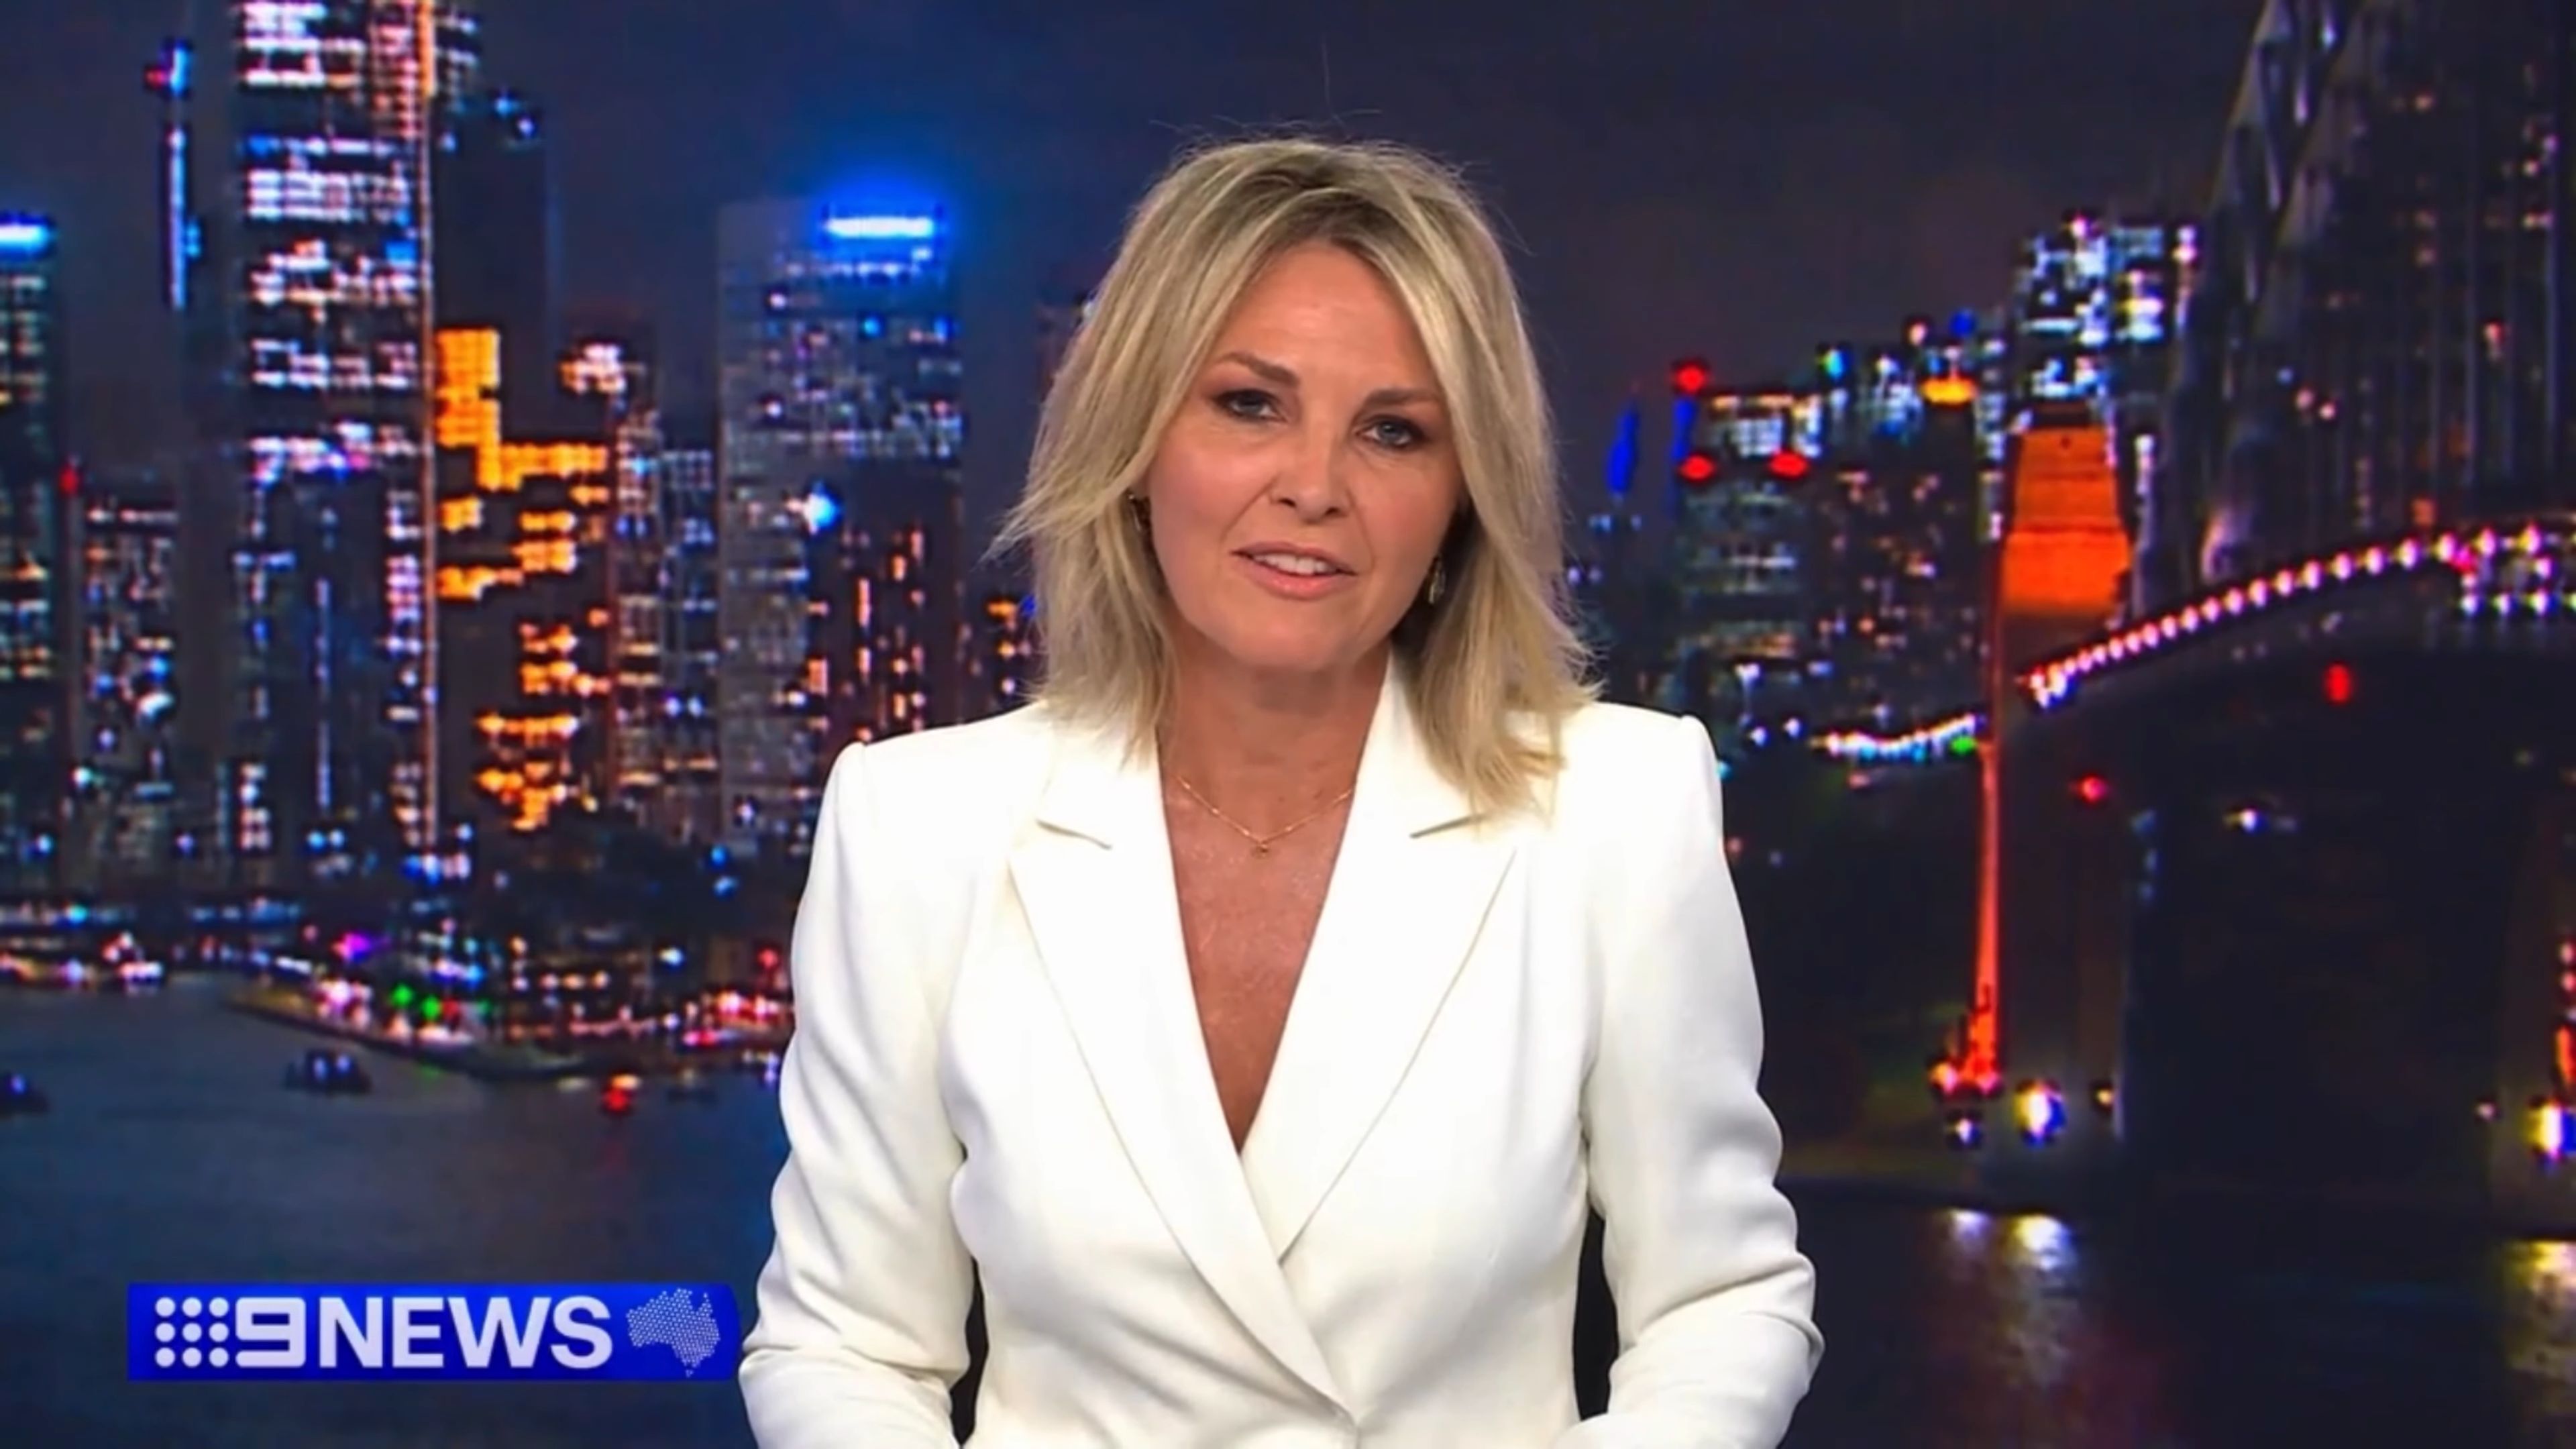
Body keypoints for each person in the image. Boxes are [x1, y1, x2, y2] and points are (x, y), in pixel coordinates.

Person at [739, 136, 1821, 1448]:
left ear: (1461, 498)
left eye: (1394, 431)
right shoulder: (919, 828)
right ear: (1137, 442)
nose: (1314, 487)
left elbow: (1722, 1302)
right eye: (1250, 405)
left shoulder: (1615, 809)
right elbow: (843, 1342)